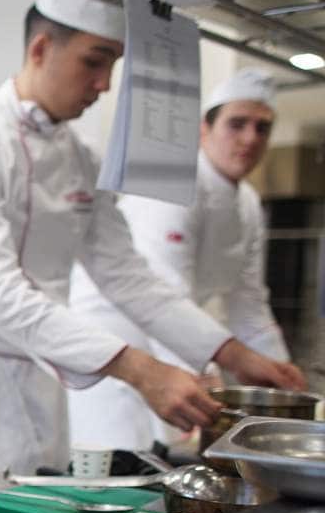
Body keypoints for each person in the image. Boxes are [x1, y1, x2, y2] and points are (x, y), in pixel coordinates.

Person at [0, 0, 305, 507]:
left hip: (46, 387)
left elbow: (125, 273)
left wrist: (231, 352)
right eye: (94, 62)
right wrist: (140, 369)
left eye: (113, 65)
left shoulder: (83, 158)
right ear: (41, 49)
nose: (105, 84)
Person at [68, 68, 291, 449]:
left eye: (262, 128)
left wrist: (282, 380)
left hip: (177, 341)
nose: (250, 138)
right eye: (237, 124)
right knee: (119, 462)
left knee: (164, 460)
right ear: (205, 130)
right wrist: (203, 380)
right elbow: (164, 294)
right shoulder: (175, 190)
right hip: (114, 343)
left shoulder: (249, 205)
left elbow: (249, 304)